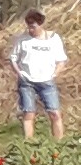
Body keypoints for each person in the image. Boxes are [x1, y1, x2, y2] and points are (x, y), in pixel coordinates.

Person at [13, 10, 67, 141]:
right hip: (27, 82)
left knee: (55, 113)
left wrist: (55, 74)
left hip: (46, 82)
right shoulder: (23, 39)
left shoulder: (53, 39)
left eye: (33, 26)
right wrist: (19, 73)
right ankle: (29, 144)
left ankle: (59, 144)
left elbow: (61, 60)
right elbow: (13, 58)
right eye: (29, 27)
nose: (30, 30)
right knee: (29, 114)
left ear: (41, 24)